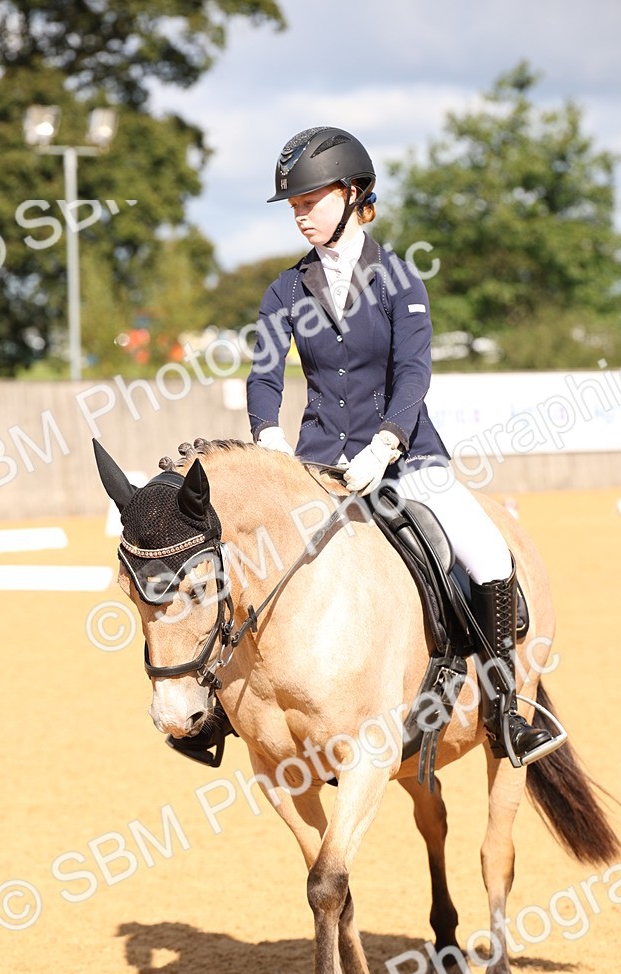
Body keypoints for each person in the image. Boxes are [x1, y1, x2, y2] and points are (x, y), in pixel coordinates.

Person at [238, 125, 559, 768]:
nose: (300, 214)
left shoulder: (399, 280)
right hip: (318, 462)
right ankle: (222, 715)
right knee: (249, 562)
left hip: (407, 457)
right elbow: (264, 375)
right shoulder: (285, 290)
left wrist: (387, 443)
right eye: (294, 206)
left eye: (310, 200)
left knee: (490, 555)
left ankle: (502, 716)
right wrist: (269, 440)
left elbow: (413, 374)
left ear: (354, 195)